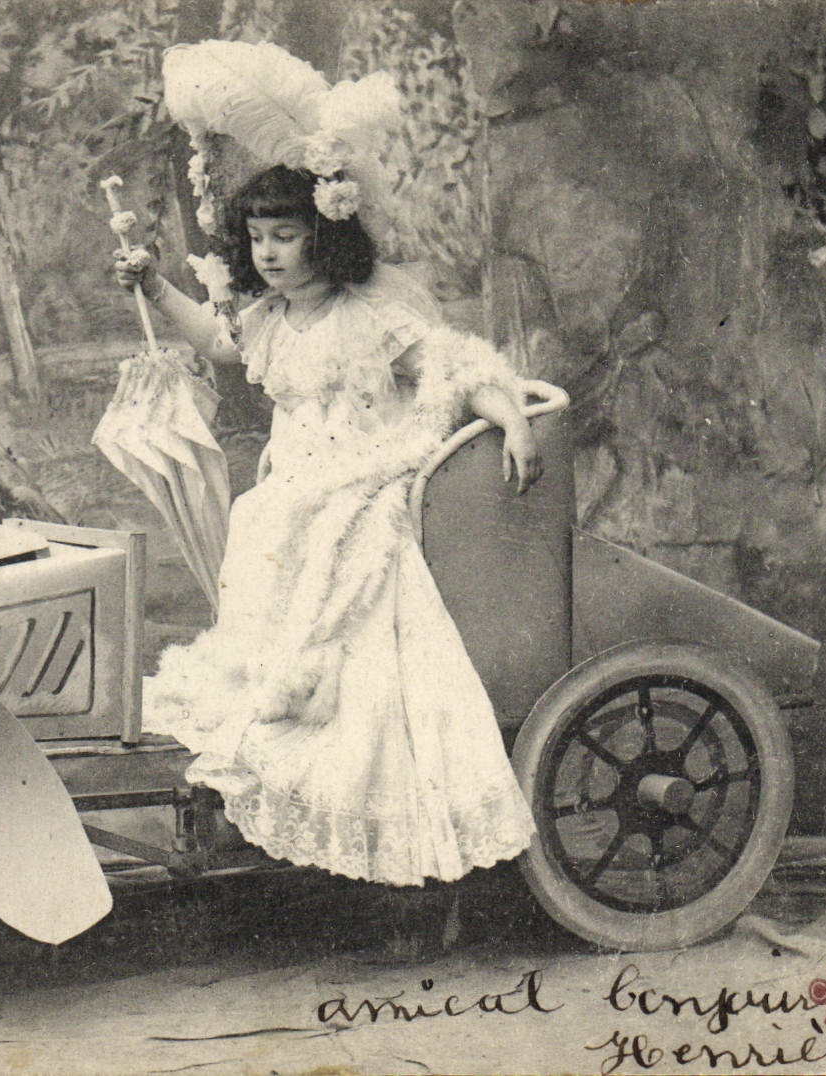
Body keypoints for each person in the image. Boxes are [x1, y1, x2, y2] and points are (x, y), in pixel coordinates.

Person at [111, 149, 540, 902]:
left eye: (284, 235)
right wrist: (153, 285)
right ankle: (273, 715)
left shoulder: (366, 317)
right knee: (264, 518)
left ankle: (344, 769)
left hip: (362, 473)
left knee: (328, 539)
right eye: (256, 239)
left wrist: (513, 421)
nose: (268, 253)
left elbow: (456, 368)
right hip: (294, 484)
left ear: (323, 236)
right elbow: (214, 341)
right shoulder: (268, 319)